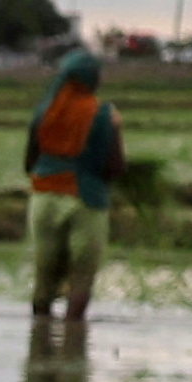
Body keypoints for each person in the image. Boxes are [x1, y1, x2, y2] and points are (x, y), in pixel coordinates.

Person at [22, 42, 123, 341]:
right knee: (81, 276)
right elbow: (115, 167)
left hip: (42, 199)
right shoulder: (103, 115)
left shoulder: (44, 113)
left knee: (44, 275)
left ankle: (39, 347)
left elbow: (29, 162)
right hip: (86, 199)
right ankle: (72, 346)